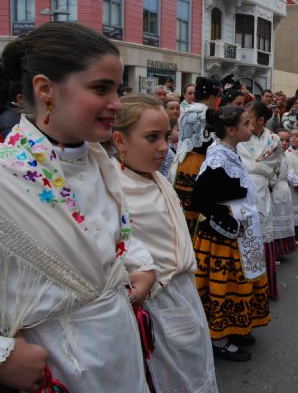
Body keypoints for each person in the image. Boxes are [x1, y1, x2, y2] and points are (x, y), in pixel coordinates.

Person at [0, 22, 155, 392]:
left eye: (118, 89)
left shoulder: (99, 162)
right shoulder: (6, 176)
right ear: (45, 89)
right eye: (101, 88)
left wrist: (142, 264)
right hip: (55, 368)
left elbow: (115, 235)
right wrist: (4, 355)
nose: (117, 104)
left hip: (119, 351)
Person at [111, 94, 218, 392]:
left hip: (184, 295)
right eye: (151, 137)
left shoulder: (155, 178)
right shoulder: (114, 189)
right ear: (120, 141)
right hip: (158, 302)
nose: (163, 146)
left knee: (197, 372)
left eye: (166, 134)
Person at [191, 105, 271, 363]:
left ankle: (235, 328)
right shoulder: (218, 158)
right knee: (222, 285)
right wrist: (225, 219)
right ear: (231, 129)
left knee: (237, 281)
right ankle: (218, 338)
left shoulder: (227, 151)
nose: (251, 127)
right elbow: (199, 198)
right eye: (247, 124)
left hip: (235, 232)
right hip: (221, 237)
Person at [237, 102, 282, 300]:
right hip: (241, 192)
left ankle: (264, 288)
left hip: (262, 192)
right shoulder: (239, 137)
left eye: (250, 119)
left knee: (262, 236)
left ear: (261, 120)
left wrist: (257, 167)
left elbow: (274, 165)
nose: (246, 123)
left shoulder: (274, 140)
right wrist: (253, 166)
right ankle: (246, 290)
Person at [174, 76, 220, 235]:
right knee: (198, 208)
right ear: (212, 96)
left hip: (184, 161)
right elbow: (209, 144)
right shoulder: (207, 114)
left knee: (184, 208)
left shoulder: (187, 110)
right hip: (199, 164)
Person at [272, 129, 297, 257]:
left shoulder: (285, 155)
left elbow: (290, 173)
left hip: (284, 189)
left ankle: (281, 250)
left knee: (284, 221)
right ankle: (275, 252)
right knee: (275, 222)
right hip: (274, 190)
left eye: (287, 140)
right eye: (281, 140)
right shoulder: (272, 155)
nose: (284, 143)